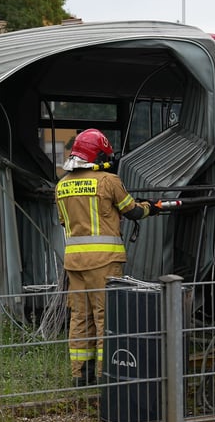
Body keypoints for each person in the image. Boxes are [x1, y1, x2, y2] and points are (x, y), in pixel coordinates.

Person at [55, 129, 160, 387]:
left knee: (80, 317)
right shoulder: (108, 181)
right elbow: (132, 211)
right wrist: (151, 208)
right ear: (98, 155)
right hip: (104, 261)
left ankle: (80, 375)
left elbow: (63, 221)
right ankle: (106, 375)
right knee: (106, 318)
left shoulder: (62, 185)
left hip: (73, 263)